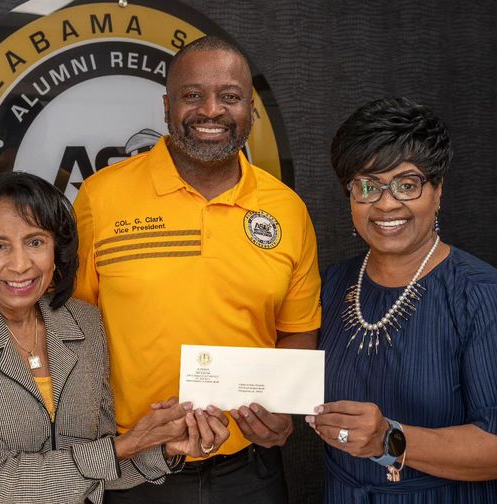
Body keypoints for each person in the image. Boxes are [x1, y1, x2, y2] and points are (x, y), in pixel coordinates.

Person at [73, 35, 322, 503]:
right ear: (167, 106)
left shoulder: (286, 210)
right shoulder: (100, 198)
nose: (211, 110)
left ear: (251, 108)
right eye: (193, 95)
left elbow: (298, 329)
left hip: (251, 472)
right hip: (134, 470)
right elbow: (72, 332)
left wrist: (281, 409)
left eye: (229, 96)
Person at [0, 172, 214, 504]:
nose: (20, 264)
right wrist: (128, 445)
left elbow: (97, 468)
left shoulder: (86, 323)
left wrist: (165, 445)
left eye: (35, 242)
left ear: (57, 251)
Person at [306, 97, 497, 503]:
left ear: (437, 192)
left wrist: (391, 439)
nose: (386, 203)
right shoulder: (333, 284)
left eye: (407, 184)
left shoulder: (488, 298)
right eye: (368, 186)